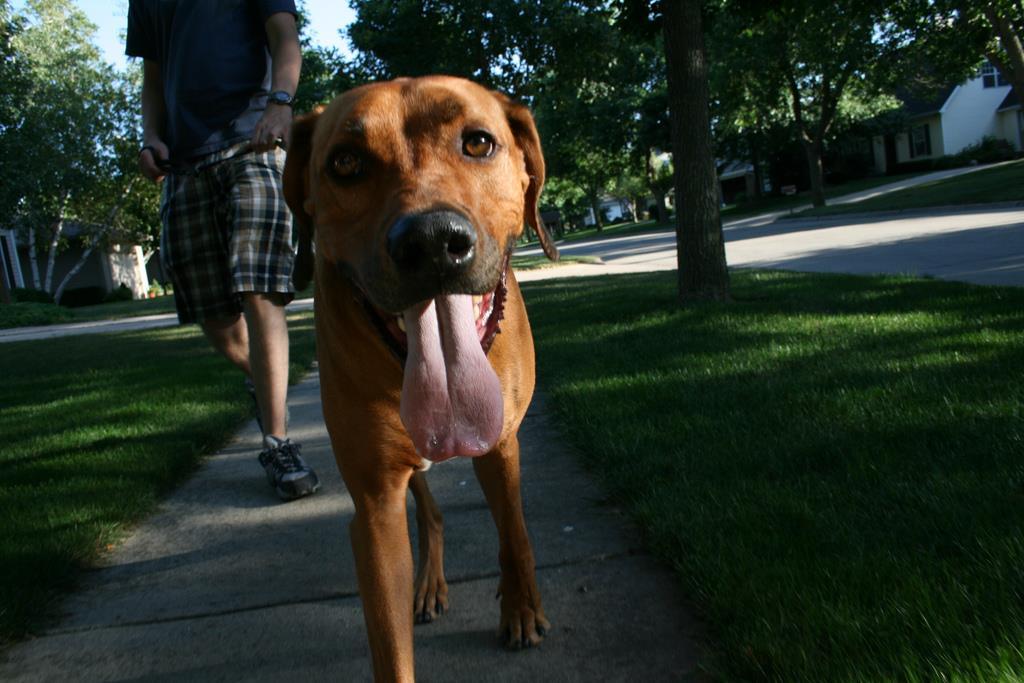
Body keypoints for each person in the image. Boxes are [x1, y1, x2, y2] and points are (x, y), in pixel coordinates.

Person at [126, 0, 319, 501]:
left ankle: (278, 444)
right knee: (215, 319)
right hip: (184, 163)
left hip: (252, 141)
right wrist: (150, 135)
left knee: (259, 290)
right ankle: (265, 380)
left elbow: (284, 36)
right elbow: (154, 75)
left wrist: (281, 102)